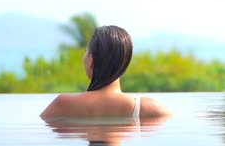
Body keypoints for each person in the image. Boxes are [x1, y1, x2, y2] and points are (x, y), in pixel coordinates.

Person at [40, 25, 171, 119]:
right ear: (125, 63)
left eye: (86, 52)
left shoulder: (63, 105)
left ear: (91, 61)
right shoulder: (148, 108)